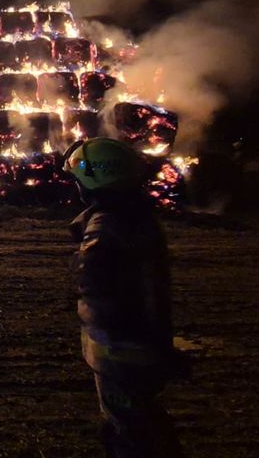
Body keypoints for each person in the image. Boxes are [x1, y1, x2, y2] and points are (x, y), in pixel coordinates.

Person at [62, 137, 187, 458]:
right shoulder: (139, 218)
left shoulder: (106, 224)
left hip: (118, 350)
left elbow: (93, 280)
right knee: (146, 422)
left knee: (127, 432)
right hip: (146, 341)